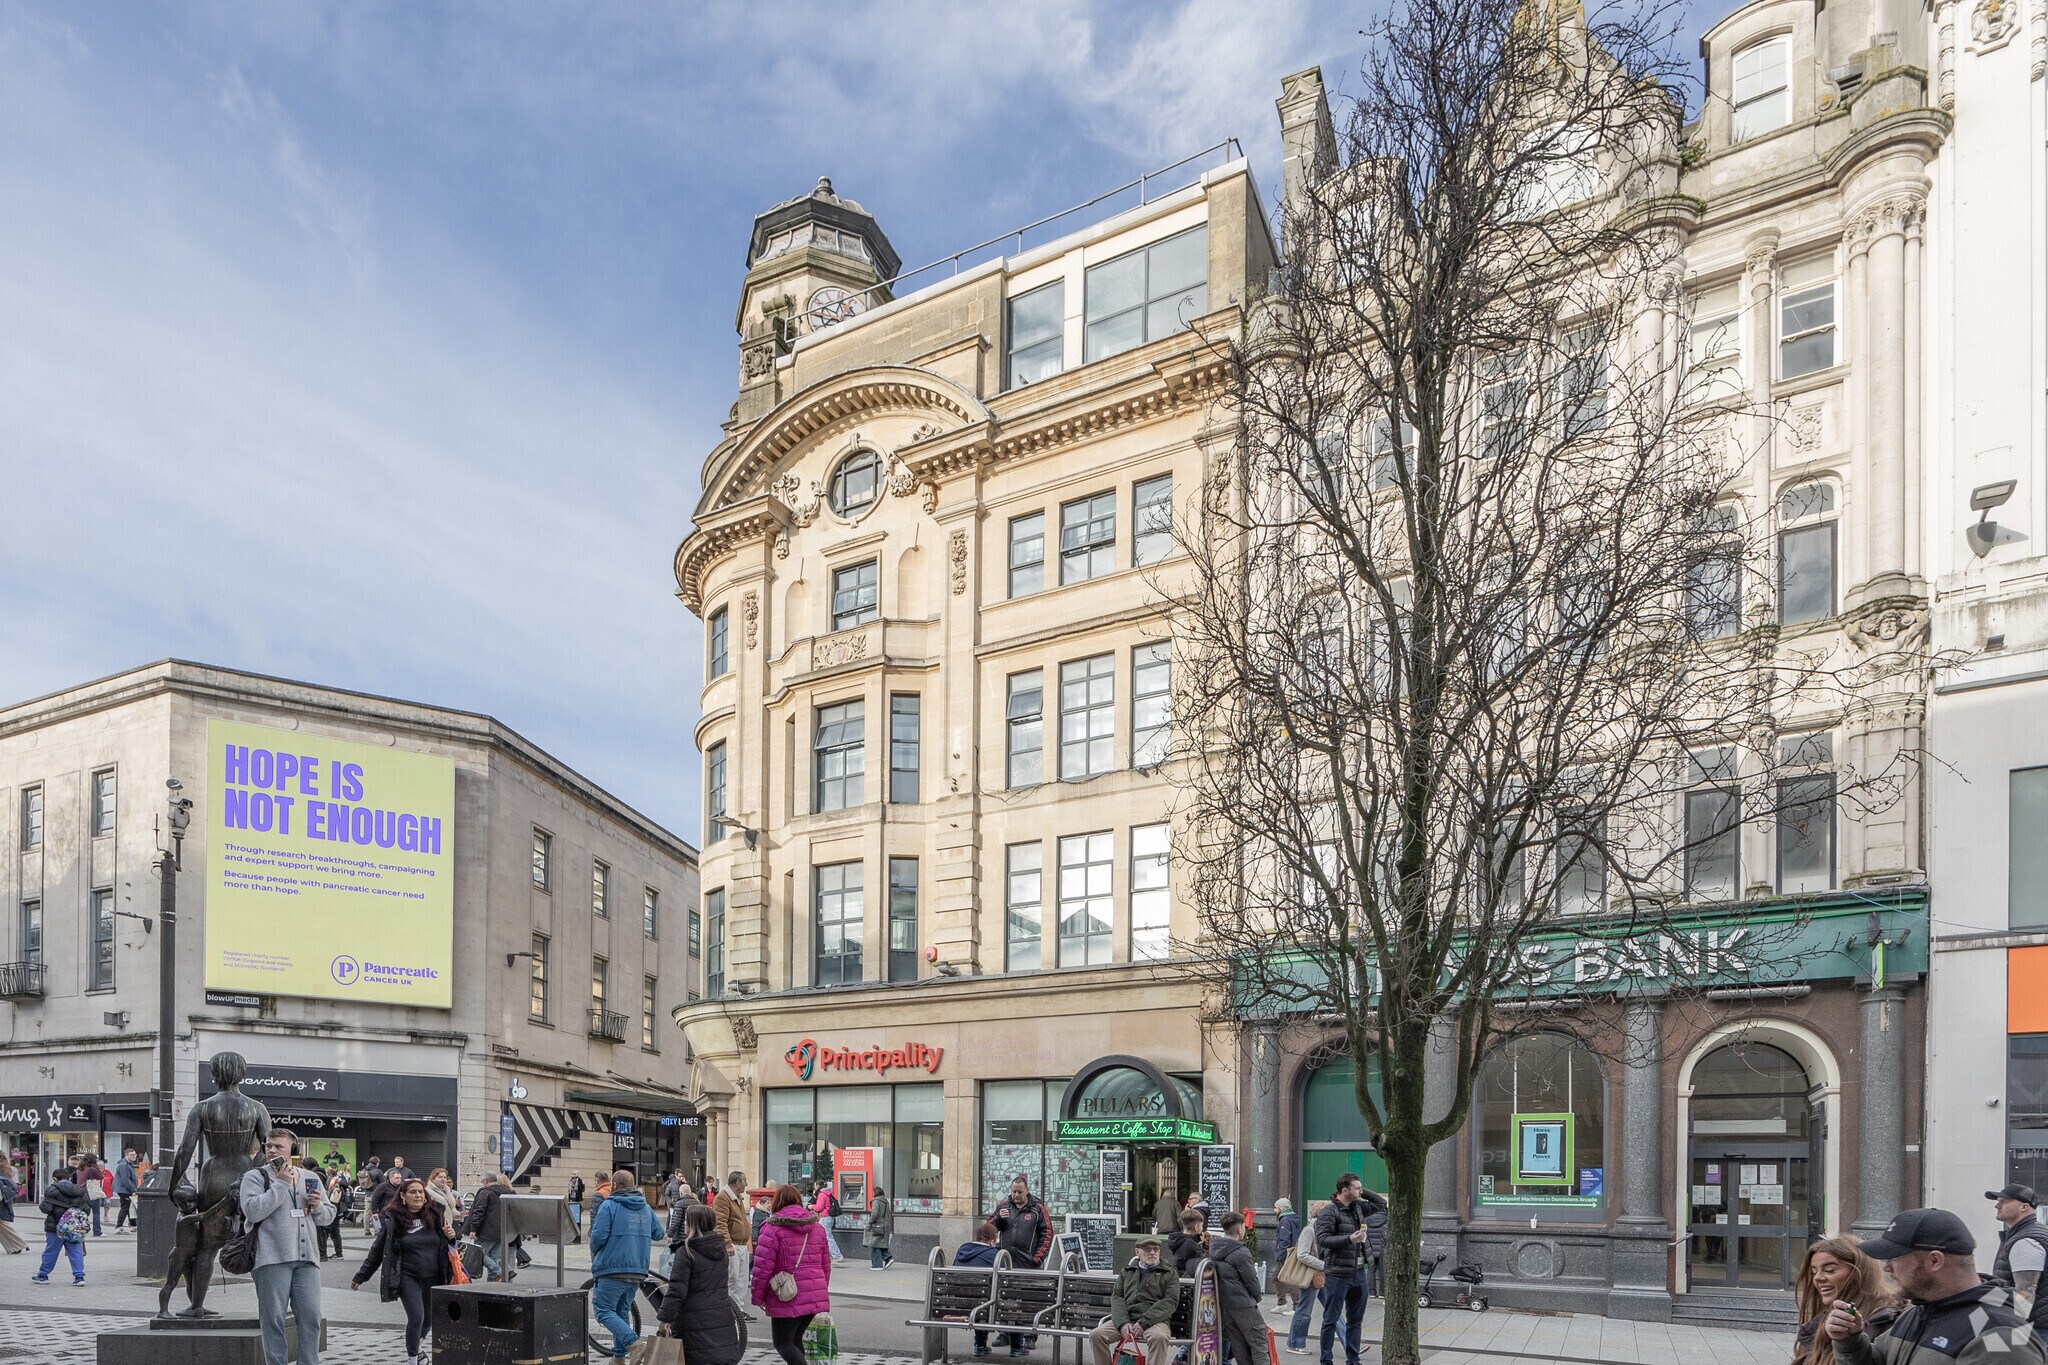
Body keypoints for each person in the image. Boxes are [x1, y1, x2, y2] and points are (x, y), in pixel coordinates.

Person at [1823, 1207, 2047, 1365]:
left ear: (1935, 1261)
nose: (1886, 1267)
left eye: (1894, 1257)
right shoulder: (1920, 1311)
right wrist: (1850, 1340)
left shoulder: (1999, 1334)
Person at [241, 1129, 333, 1365]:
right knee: (273, 1319)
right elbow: (252, 1211)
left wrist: (319, 1207)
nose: (271, 1150)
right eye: (268, 1145)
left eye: (278, 1146)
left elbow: (328, 1216)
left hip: (307, 1259)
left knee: (311, 1316)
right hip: (271, 1258)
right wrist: (281, 1184)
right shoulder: (255, 1177)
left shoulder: (310, 1177)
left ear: (293, 1149)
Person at [351, 1177, 454, 1365]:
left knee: (428, 1321)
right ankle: (412, 1359)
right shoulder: (393, 1219)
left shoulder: (436, 1214)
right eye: (413, 1192)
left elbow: (448, 1247)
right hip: (408, 1276)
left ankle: (415, 1345)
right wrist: (362, 1275)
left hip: (434, 1276)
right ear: (403, 1196)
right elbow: (378, 1249)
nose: (418, 1195)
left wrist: (452, 1237)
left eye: (421, 1192)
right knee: (416, 1316)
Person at [751, 1184, 832, 1365]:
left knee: (783, 1343)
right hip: (814, 1292)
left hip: (787, 1294)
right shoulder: (817, 1228)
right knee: (795, 1341)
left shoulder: (771, 1228)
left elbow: (762, 1267)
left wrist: (758, 1297)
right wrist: (820, 1290)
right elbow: (826, 1264)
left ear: (777, 1202)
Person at [589, 1166, 663, 1361]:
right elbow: (659, 1233)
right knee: (621, 1310)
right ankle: (619, 1357)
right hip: (637, 1269)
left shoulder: (609, 1205)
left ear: (615, 1185)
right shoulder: (645, 1207)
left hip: (612, 1267)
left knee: (603, 1311)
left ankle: (634, 1343)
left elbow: (598, 1238)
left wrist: (595, 1250)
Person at [657, 1203, 744, 1365]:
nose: (684, 1224)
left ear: (694, 1224)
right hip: (721, 1315)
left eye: (687, 1221)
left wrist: (664, 1318)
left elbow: (677, 1290)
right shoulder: (721, 1248)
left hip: (693, 1320)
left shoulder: (687, 1251)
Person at [1312, 1175, 1385, 1365]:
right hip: (1337, 1273)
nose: (1361, 1192)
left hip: (1358, 1272)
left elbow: (1380, 1203)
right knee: (1331, 1319)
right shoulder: (1329, 1212)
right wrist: (1349, 1239)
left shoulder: (1358, 1207)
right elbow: (1323, 1240)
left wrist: (1360, 1190)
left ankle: (1353, 1360)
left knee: (1355, 1321)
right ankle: (1326, 1360)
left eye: (1362, 1188)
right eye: (1357, 1188)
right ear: (1344, 1191)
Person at [1792, 1236, 1899, 1365]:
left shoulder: (1890, 1323)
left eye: (1829, 1270)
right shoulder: (1818, 1324)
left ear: (1859, 1271)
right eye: (1814, 1272)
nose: (1818, 1278)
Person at [1088, 1232, 1181, 1365]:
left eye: (1156, 1249)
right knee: (1096, 1335)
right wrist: (1122, 1323)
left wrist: (1144, 1322)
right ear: (1137, 1251)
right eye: (1147, 1249)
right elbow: (1117, 1297)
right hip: (1127, 1318)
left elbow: (1170, 1301)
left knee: (1159, 1338)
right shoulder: (1126, 1272)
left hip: (1154, 1321)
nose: (1152, 1252)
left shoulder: (1170, 1274)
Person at [989, 1173, 1054, 1355]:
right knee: (1005, 1298)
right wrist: (998, 1220)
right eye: (1013, 1191)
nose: (1016, 1195)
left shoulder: (1037, 1209)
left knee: (1028, 1300)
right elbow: (989, 1230)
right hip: (1006, 1262)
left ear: (1027, 1191)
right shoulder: (1003, 1206)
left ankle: (1029, 1336)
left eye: (1019, 1192)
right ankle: (1004, 1333)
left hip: (1028, 1263)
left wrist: (1038, 1258)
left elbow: (1047, 1233)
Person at [1212, 1211, 1269, 1365]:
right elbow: (1251, 1281)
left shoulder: (1214, 1249)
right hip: (1244, 1304)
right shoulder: (1240, 1252)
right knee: (1259, 1344)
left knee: (1239, 1347)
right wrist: (1256, 1297)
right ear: (1239, 1229)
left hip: (1227, 1306)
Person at [1989, 1183, 2048, 1331]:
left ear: (2024, 1207)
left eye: (2004, 1202)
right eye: (1998, 1201)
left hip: (2034, 1330)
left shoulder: (2027, 1241)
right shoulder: (2021, 1235)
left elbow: (2026, 1292)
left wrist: (2012, 1334)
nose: (1997, 1206)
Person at [953, 1221, 1007, 1357]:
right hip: (985, 1305)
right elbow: (1005, 1281)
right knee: (1011, 1301)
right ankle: (1017, 1348)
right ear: (992, 1241)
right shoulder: (994, 1254)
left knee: (980, 1302)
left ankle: (980, 1346)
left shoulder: (962, 1249)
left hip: (958, 1303)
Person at [31, 1163, 90, 1284]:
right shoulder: (79, 1190)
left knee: (51, 1250)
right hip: (74, 1227)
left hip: (55, 1226)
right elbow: (86, 1209)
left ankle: (43, 1275)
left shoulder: (52, 1190)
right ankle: (79, 1277)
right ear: (69, 1178)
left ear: (54, 1179)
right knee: (75, 1251)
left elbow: (46, 1209)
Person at [460, 1172, 511, 1282]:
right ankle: (492, 1283)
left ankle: (498, 1271)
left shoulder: (485, 1192)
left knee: (478, 1255)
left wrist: (473, 1229)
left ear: (486, 1181)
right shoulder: (507, 1192)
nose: (482, 1183)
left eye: (482, 1181)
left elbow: (479, 1211)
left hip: (486, 1231)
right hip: (501, 1231)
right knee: (493, 1257)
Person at [714, 1169, 754, 1302]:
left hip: (741, 1244)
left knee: (742, 1279)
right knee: (732, 1278)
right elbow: (720, 1223)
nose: (746, 1184)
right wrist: (727, 1243)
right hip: (733, 1245)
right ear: (738, 1183)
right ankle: (731, 1308)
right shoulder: (723, 1197)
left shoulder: (737, 1198)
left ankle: (738, 1308)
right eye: (744, 1181)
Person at [1271, 1198, 1303, 1314]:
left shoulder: (1284, 1220)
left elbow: (1284, 1240)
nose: (1274, 1210)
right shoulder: (1296, 1218)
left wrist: (1281, 1255)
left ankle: (1295, 1306)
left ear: (1280, 1208)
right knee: (1277, 1277)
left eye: (1276, 1208)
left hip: (1286, 1254)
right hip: (1294, 1252)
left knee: (1286, 1279)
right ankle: (1282, 1303)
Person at [316, 1166, 348, 1261]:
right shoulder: (337, 1182)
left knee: (329, 1231)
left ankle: (331, 1253)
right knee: (334, 1232)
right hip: (337, 1209)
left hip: (334, 1209)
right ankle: (337, 1253)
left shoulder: (331, 1183)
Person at [809, 1182, 845, 1263]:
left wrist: (811, 1206)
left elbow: (819, 1207)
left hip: (824, 1217)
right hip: (829, 1217)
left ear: (818, 1186)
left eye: (815, 1185)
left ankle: (837, 1255)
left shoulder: (822, 1194)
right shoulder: (828, 1193)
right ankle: (828, 1255)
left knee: (827, 1237)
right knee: (825, 1237)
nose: (814, 1187)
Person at [1169, 1208, 1208, 1275]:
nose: (1202, 1228)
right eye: (1201, 1225)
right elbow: (1198, 1264)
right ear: (1196, 1227)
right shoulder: (1190, 1244)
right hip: (1187, 1277)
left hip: (1179, 1274)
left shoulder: (1178, 1240)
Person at [865, 1185, 895, 1268]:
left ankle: (877, 1265)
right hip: (885, 1226)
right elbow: (888, 1214)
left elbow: (874, 1214)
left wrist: (870, 1223)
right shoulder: (885, 1201)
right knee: (880, 1244)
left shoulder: (876, 1201)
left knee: (875, 1244)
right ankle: (887, 1258)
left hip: (877, 1225)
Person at [76, 1154, 105, 1237]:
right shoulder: (92, 1168)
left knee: (83, 1213)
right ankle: (97, 1231)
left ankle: (81, 1229)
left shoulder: (80, 1169)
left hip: (81, 1193)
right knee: (96, 1213)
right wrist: (97, 1167)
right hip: (91, 1192)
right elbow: (101, 1176)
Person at [0, 1155, 24, 1255]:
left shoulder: (3, 1169)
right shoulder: (7, 1168)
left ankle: (17, 1245)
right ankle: (16, 1246)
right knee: (2, 1225)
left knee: (3, 1225)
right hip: (4, 1198)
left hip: (2, 1196)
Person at [113, 1150, 139, 1231]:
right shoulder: (124, 1165)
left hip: (125, 1189)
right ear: (126, 1155)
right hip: (124, 1190)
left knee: (130, 1208)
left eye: (135, 1154)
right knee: (125, 1208)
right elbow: (125, 1179)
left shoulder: (128, 1164)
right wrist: (133, 1190)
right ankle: (119, 1226)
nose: (134, 1156)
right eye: (131, 1155)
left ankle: (133, 1225)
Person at [567, 1172, 587, 1243]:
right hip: (572, 1193)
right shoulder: (570, 1179)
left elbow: (580, 1187)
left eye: (573, 1174)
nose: (572, 1175)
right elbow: (569, 1186)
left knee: (576, 1203)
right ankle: (577, 1209)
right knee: (573, 1203)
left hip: (577, 1194)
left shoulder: (579, 1180)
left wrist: (577, 1187)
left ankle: (580, 1208)